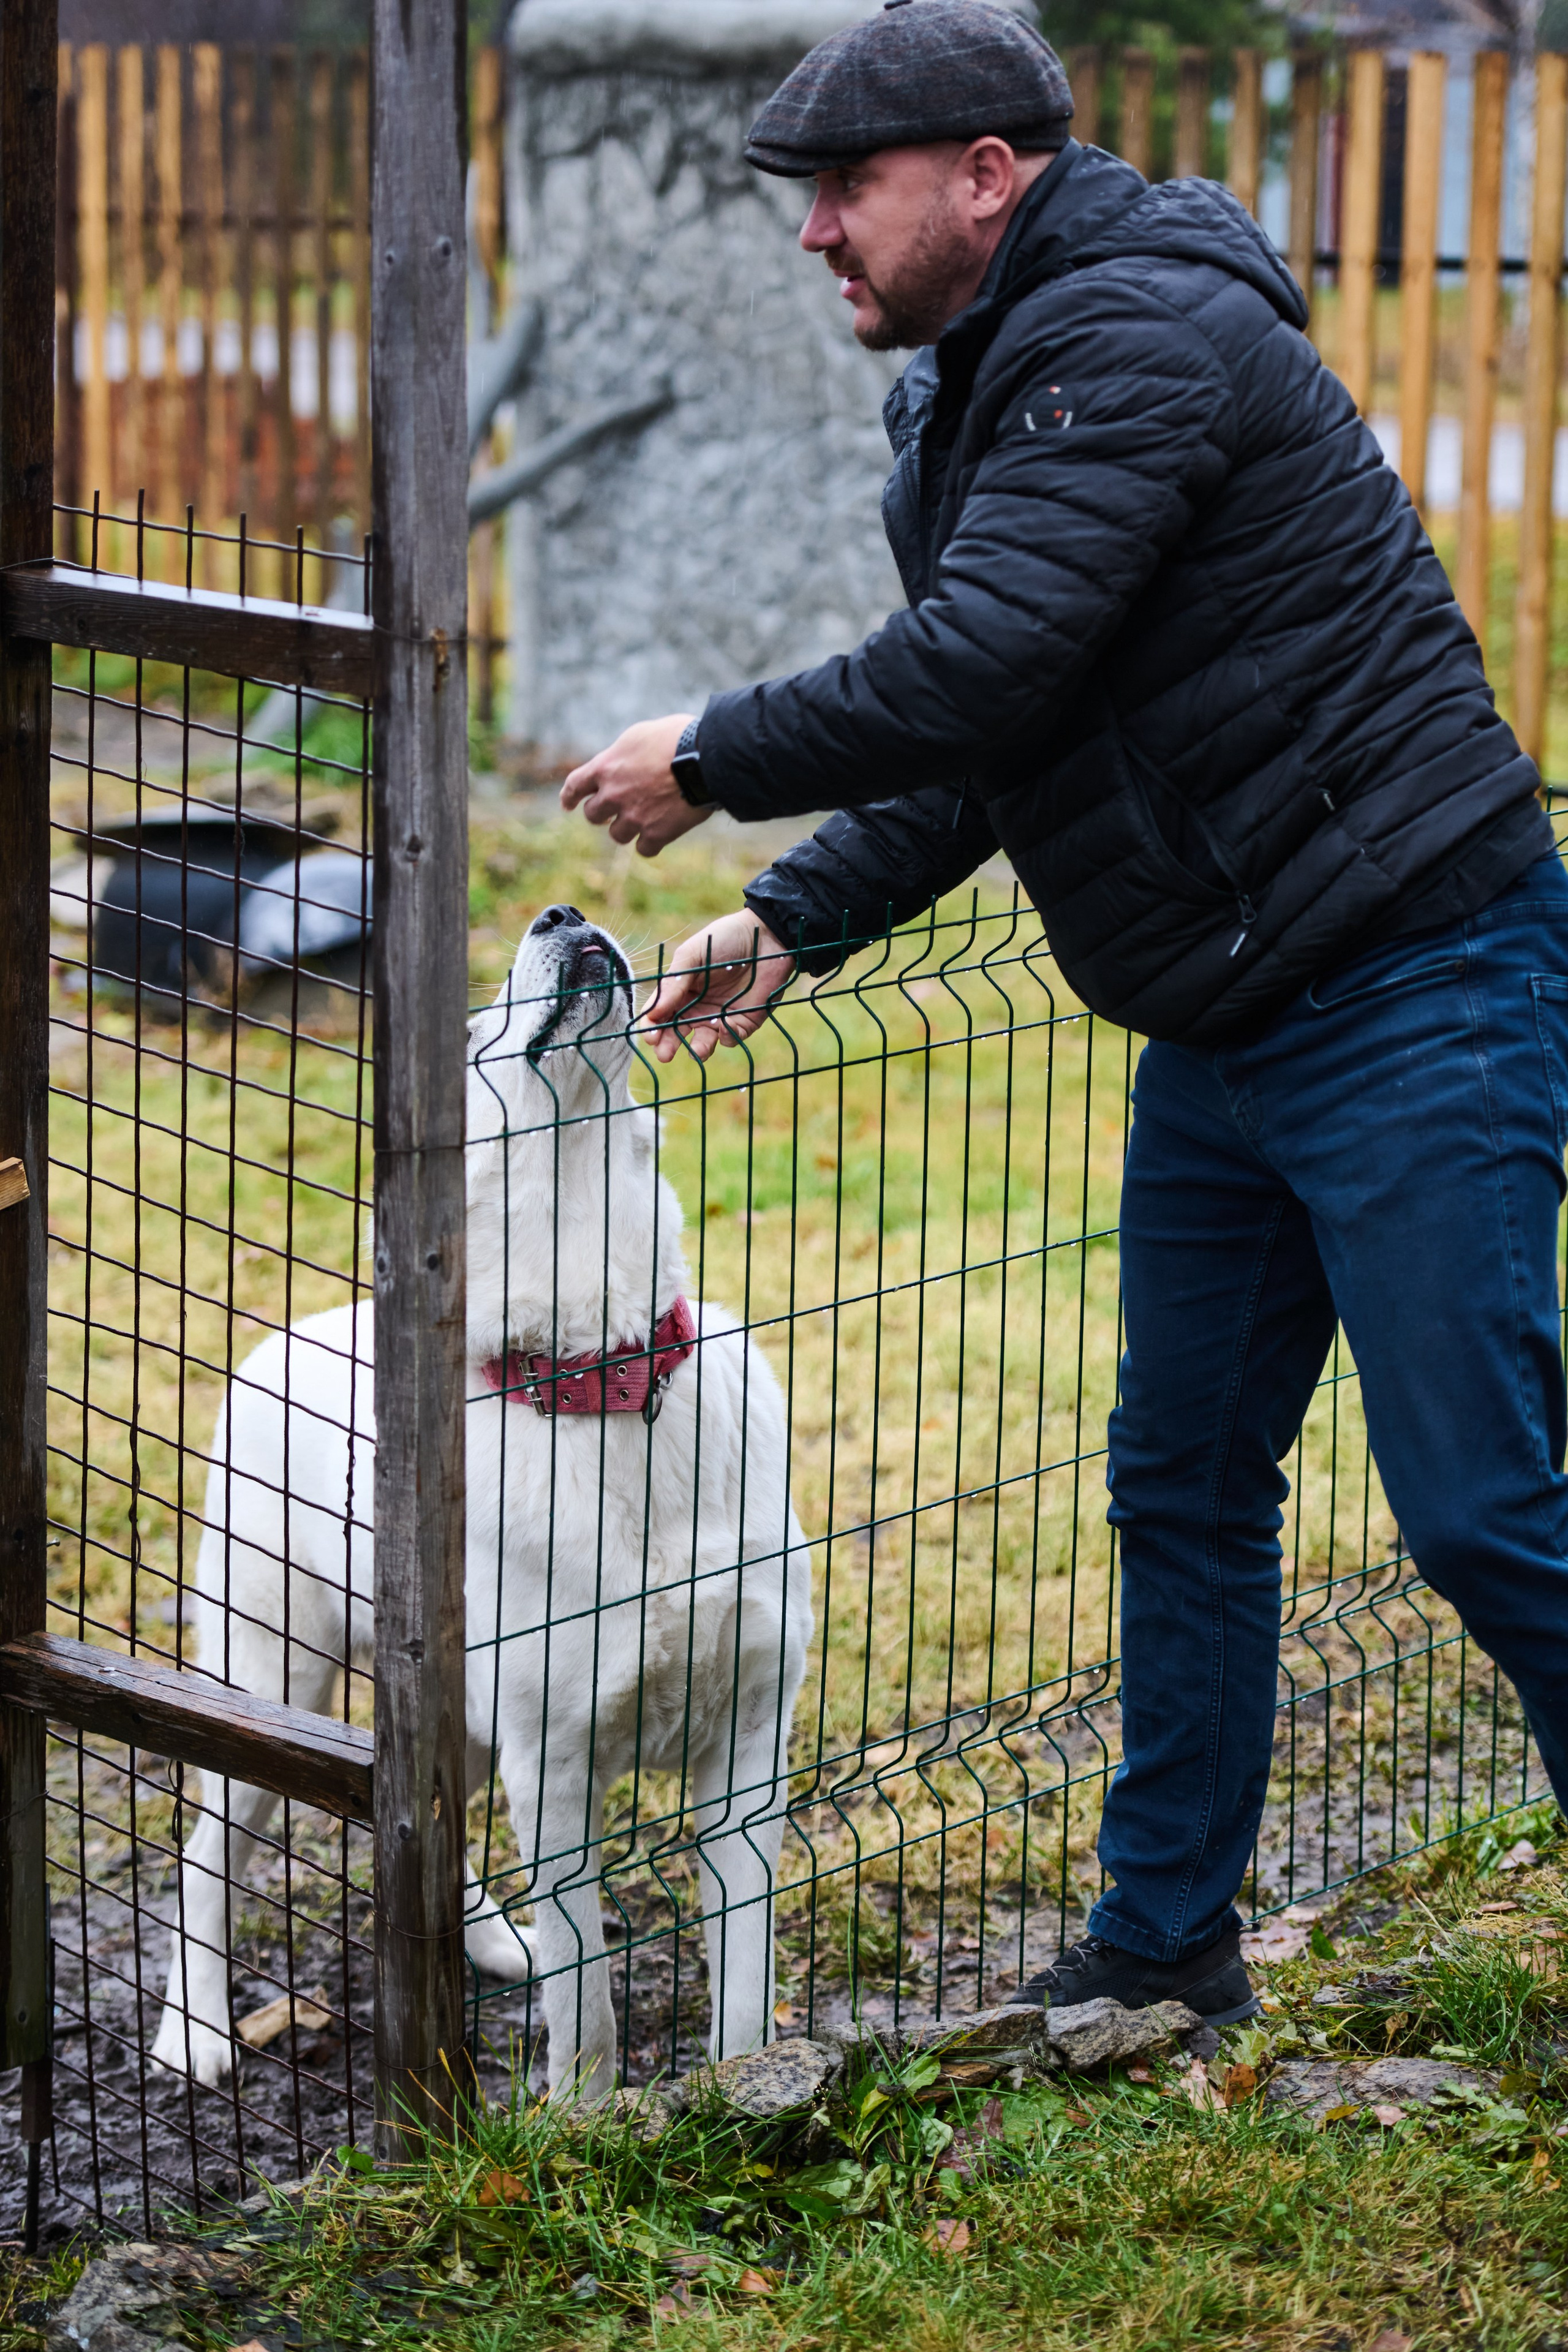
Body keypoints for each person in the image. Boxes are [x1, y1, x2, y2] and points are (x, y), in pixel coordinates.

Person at [559, 0, 1568, 2024]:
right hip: (1225, 1019)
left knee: (1480, 1505)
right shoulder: (987, 378)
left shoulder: (1135, 342)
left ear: (987, 176)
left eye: (847, 186)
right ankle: (1169, 1943)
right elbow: (1012, 717)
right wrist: (800, 911)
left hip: (1411, 984)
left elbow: (977, 657)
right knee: (1183, 1482)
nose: (816, 230)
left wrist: (721, 754)